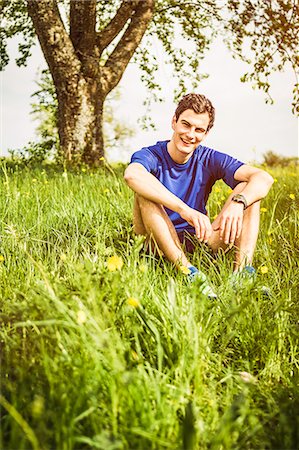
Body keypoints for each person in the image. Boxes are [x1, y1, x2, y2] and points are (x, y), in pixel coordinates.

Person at [124, 93, 273, 298]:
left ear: (206, 133)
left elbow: (264, 178)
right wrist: (185, 211)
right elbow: (132, 175)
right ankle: (189, 273)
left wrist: (238, 203)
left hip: (198, 240)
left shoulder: (208, 157)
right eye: (186, 124)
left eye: (199, 129)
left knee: (248, 189)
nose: (190, 134)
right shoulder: (151, 154)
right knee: (145, 192)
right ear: (174, 122)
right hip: (155, 243)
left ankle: (242, 275)